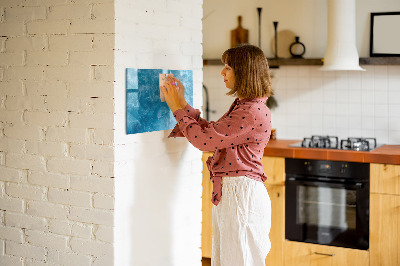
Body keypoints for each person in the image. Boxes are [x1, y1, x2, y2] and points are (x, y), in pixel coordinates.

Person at [161, 44, 273, 266]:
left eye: (228, 67)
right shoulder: (246, 106)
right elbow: (212, 133)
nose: (222, 72)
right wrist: (182, 103)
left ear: (244, 72)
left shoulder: (250, 111)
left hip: (241, 195)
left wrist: (176, 108)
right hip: (236, 193)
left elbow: (204, 141)